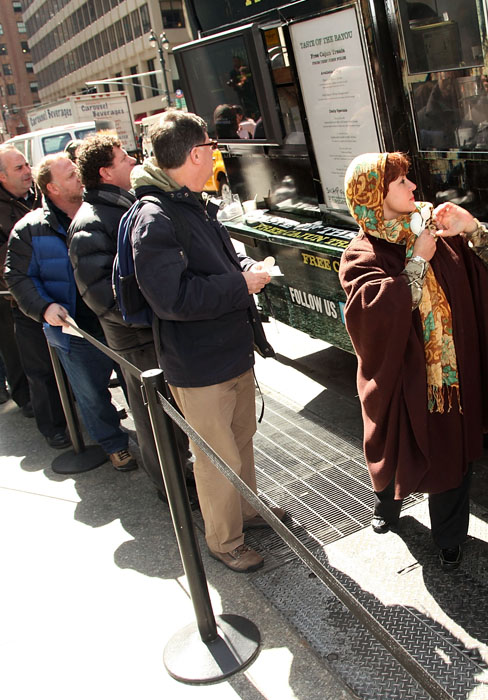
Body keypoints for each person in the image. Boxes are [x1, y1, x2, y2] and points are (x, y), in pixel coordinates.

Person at [130, 110, 285, 573]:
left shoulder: (187, 201)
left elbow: (219, 254)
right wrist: (242, 284)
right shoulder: (156, 215)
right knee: (216, 455)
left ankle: (249, 512)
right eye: (211, 149)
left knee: (241, 440)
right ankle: (226, 541)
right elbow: (171, 298)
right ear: (196, 153)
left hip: (226, 349)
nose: (215, 155)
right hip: (198, 363)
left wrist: (242, 268)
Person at [339, 152, 488, 569]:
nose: (413, 187)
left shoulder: (431, 228)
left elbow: (484, 269)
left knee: (453, 456)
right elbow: (369, 316)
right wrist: (417, 263)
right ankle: (387, 507)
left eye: (409, 179)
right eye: (400, 183)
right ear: (375, 196)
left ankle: (449, 537)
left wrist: (472, 229)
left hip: (449, 378)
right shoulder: (363, 252)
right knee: (393, 452)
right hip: (402, 383)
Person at [68, 134, 192, 498]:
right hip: (138, 341)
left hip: (153, 333)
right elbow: (102, 296)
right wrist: (155, 315)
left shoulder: (124, 205)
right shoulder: (90, 222)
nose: (131, 161)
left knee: (171, 419)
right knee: (155, 421)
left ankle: (181, 478)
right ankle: (172, 490)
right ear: (106, 172)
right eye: (123, 158)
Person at [5, 153, 135, 468]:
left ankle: (158, 441)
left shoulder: (103, 210)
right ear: (52, 188)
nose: (77, 174)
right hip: (76, 329)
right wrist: (44, 307)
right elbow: (16, 276)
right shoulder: (29, 229)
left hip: (119, 320)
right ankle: (115, 445)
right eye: (69, 173)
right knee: (91, 395)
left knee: (137, 386)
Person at [0, 145, 41, 422]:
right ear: (2, 176)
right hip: (10, 294)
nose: (27, 172)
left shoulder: (39, 194)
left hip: (48, 283)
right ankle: (26, 398)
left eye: (27, 165)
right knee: (16, 349)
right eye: (19, 168)